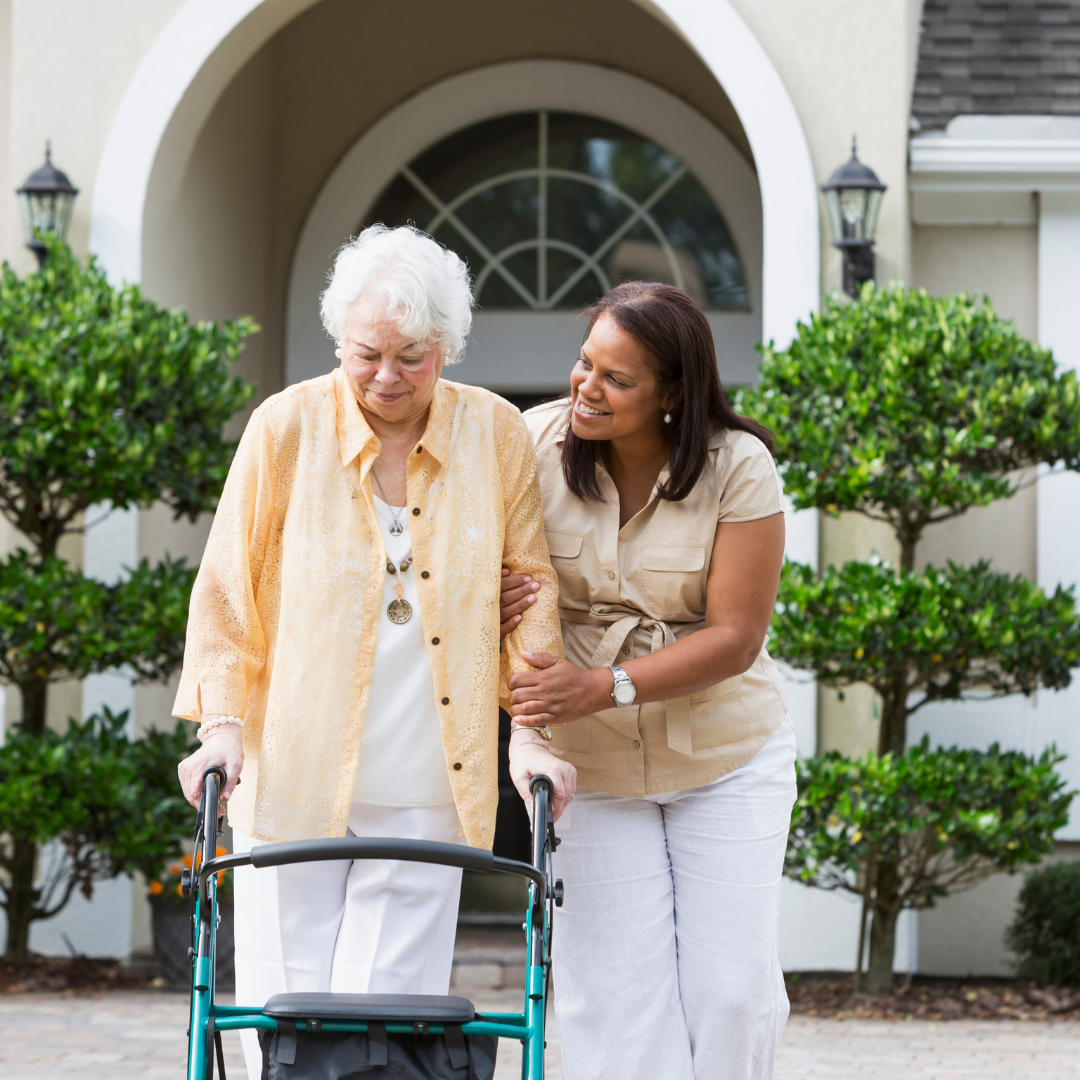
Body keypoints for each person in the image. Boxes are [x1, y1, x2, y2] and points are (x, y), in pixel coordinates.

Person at [174, 225, 575, 1079]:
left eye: (413, 356)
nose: (387, 378)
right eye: (366, 355)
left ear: (448, 348)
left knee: (384, 1036)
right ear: (337, 339)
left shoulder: (495, 434)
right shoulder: (284, 429)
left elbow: (530, 591)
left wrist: (532, 733)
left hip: (431, 788)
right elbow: (226, 594)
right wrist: (221, 725)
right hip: (293, 780)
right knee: (286, 1025)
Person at [503, 282, 796, 1080]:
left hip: (725, 759)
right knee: (614, 1000)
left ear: (672, 391)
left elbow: (736, 638)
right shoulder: (530, 446)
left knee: (732, 995)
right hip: (588, 769)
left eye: (617, 378)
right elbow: (470, 567)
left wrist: (603, 686)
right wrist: (482, 593)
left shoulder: (739, 467)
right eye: (585, 363)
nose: (586, 388)